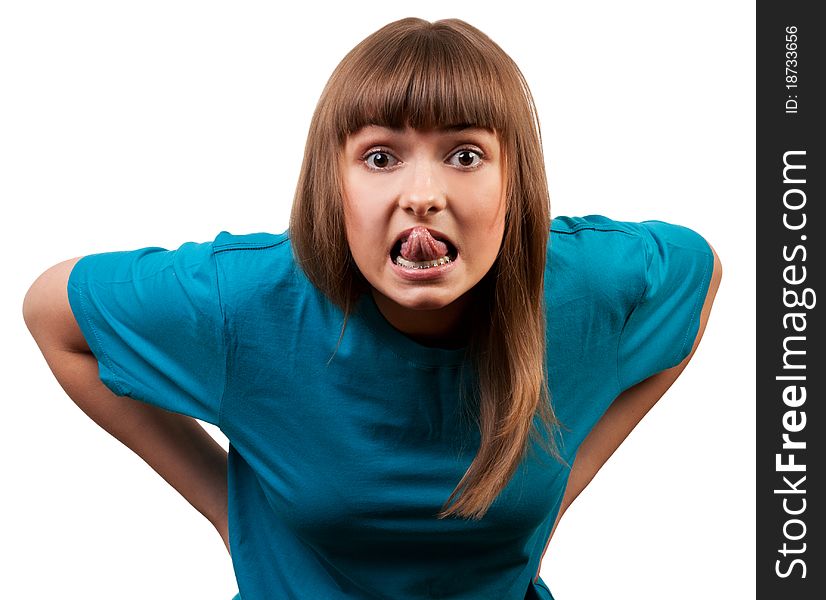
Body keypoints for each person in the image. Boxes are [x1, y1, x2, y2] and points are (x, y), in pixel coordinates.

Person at [22, 16, 722, 600]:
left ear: (517, 181)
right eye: (382, 156)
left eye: (466, 154)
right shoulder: (242, 304)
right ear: (336, 183)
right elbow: (53, 314)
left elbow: (704, 273)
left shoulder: (590, 286)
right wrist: (228, 510)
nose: (423, 192)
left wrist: (562, 476)